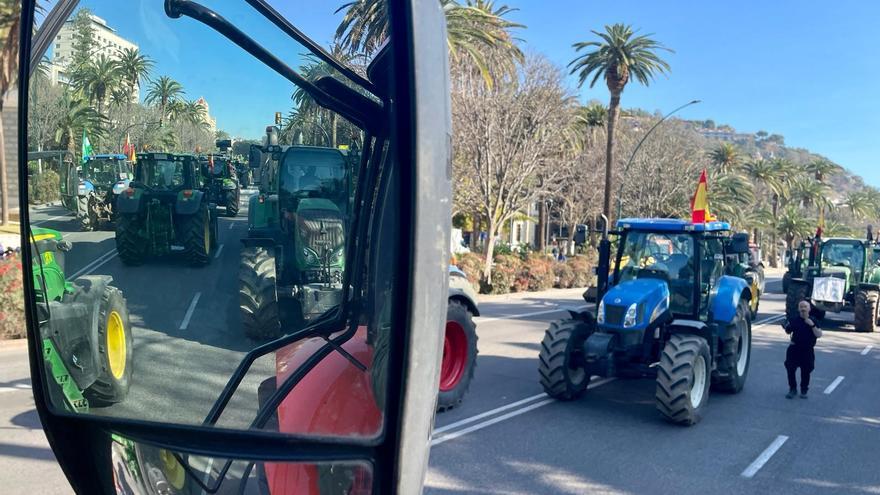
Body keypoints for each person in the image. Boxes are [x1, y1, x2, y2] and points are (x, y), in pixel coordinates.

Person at [783, 300, 822, 399]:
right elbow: (788, 330)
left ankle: (804, 390)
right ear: (798, 309)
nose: (803, 309)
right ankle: (792, 389)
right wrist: (786, 325)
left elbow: (819, 334)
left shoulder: (814, 320)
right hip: (794, 349)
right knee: (790, 369)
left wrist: (812, 325)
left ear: (809, 309)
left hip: (807, 350)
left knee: (806, 371)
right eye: (801, 307)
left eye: (805, 307)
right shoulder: (794, 320)